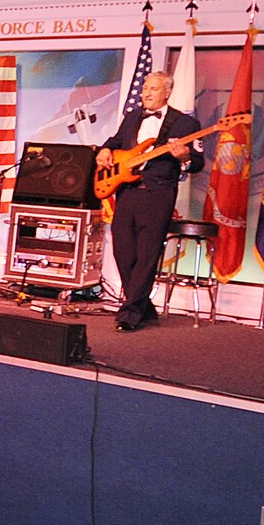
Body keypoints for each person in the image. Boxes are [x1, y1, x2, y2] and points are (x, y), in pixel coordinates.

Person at [98, 71, 205, 331]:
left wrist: (183, 158)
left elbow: (198, 163)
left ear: (167, 92)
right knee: (122, 251)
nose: (146, 93)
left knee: (147, 253)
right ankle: (143, 306)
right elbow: (116, 141)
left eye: (153, 89)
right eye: (145, 87)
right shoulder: (133, 116)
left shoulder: (185, 125)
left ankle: (130, 312)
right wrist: (104, 150)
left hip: (158, 194)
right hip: (128, 193)